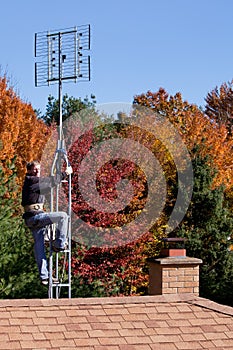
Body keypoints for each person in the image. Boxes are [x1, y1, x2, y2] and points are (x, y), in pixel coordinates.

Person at [21, 160, 72, 285]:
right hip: (36, 217)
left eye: (39, 169)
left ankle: (44, 277)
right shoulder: (31, 180)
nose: (37, 171)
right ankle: (59, 243)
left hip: (32, 218)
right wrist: (65, 173)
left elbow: (49, 183)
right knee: (63, 216)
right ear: (29, 171)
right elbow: (50, 182)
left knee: (39, 245)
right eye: (35, 169)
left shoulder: (34, 182)